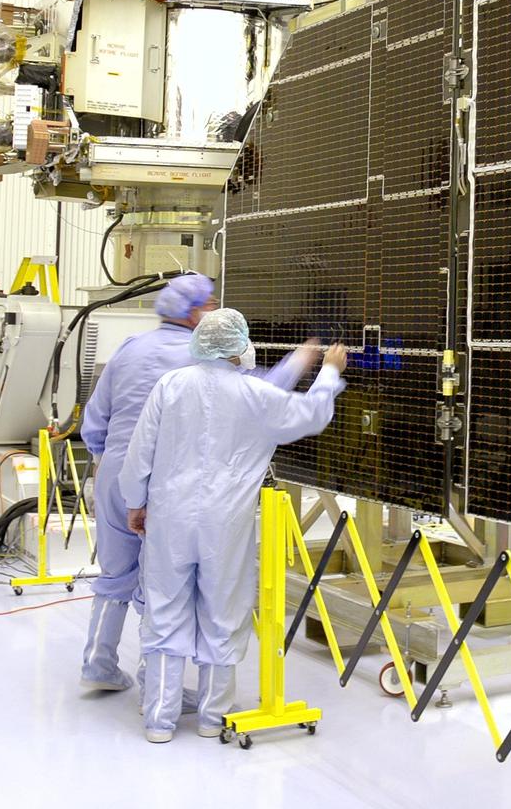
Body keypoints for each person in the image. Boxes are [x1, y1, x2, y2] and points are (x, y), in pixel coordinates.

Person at [120, 308, 348, 743]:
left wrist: (136, 502)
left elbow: (140, 451)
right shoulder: (255, 395)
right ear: (240, 346)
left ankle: (160, 720)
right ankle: (211, 717)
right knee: (222, 612)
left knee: (165, 609)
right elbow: (312, 415)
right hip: (227, 523)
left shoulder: (170, 386)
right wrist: (329, 373)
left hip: (168, 517)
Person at [78, 274, 313, 693]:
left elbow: (95, 419)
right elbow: (262, 396)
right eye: (212, 305)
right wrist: (304, 359)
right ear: (192, 313)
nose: (218, 314)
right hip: (163, 484)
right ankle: (157, 690)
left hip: (113, 472)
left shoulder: (131, 348)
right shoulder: (198, 360)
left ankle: (98, 662)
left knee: (114, 574)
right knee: (161, 588)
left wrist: (103, 465)